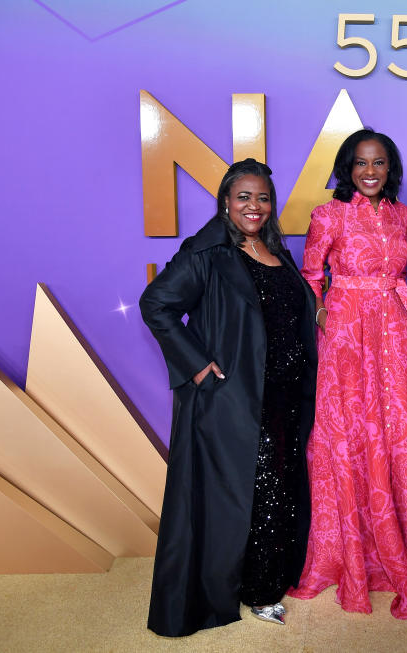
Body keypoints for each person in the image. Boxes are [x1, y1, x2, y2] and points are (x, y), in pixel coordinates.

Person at [140, 159, 317, 636]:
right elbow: (155, 304)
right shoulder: (208, 252)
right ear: (225, 202)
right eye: (243, 197)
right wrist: (197, 365)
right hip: (235, 398)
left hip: (283, 397)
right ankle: (254, 592)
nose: (254, 206)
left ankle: (266, 580)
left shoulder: (276, 251)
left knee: (276, 490)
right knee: (246, 495)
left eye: (262, 198)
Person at [289, 129, 407, 619]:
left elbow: (396, 277)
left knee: (394, 431)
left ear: (390, 170)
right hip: (348, 336)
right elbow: (309, 276)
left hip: (394, 333)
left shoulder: (403, 216)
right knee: (348, 432)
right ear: (348, 167)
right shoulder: (327, 215)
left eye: (380, 164)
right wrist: (329, 317)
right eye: (362, 163)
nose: (371, 172)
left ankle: (395, 548)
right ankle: (349, 553)